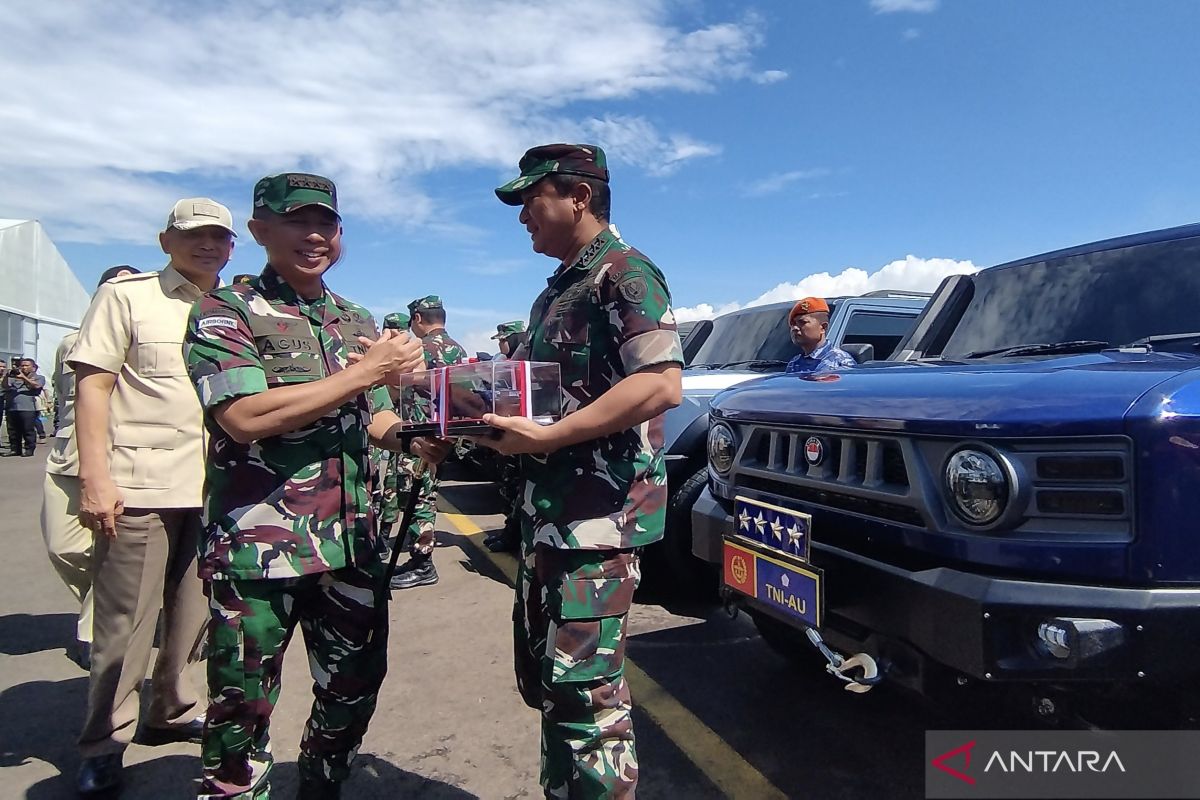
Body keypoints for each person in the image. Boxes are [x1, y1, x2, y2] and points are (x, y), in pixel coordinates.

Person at [184, 172, 448, 799]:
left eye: (325, 223)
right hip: (259, 549)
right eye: (296, 222)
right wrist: (363, 376)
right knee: (241, 703)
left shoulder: (352, 319)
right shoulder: (225, 310)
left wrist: (409, 439)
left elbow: (375, 413)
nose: (314, 236)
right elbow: (243, 418)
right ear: (259, 232)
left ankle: (321, 783)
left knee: (353, 685)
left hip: (350, 545)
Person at [484, 143, 683, 798]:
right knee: (555, 690)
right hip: (553, 518)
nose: (523, 219)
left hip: (596, 523)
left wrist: (548, 435)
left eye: (530, 201)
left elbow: (658, 384)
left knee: (588, 697)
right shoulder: (558, 292)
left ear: (578, 196)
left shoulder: (624, 273)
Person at [70, 200, 236, 796]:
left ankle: (169, 707)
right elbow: (93, 387)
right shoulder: (128, 297)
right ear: (167, 240)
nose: (208, 246)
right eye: (194, 236)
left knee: (193, 619)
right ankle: (104, 742)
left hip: (215, 488)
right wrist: (95, 477)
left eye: (219, 237)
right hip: (141, 487)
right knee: (125, 624)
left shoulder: (235, 307)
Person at [41, 265, 140, 672]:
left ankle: (94, 629)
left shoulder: (145, 336)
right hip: (68, 457)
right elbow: (67, 395)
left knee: (109, 549)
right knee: (62, 547)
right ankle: (116, 608)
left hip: (123, 456)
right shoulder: (69, 343)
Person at [388, 295, 466, 590]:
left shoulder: (420, 349)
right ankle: (421, 557)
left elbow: (397, 389)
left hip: (419, 435)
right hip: (443, 436)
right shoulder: (457, 349)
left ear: (418, 318)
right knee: (425, 495)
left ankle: (423, 563)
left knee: (416, 497)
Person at [784, 297, 856, 374]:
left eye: (802, 322)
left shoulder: (841, 361)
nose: (794, 328)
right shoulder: (794, 364)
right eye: (793, 324)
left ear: (823, 327)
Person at [3, 358, 47, 456]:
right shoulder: (14, 377)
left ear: (33, 367)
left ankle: (29, 449)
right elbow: (5, 386)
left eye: (26, 365)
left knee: (28, 429)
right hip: (12, 407)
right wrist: (6, 376)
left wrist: (24, 378)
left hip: (28, 407)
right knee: (13, 430)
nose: (23, 367)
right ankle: (15, 449)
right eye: (22, 365)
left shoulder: (39, 377)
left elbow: (37, 386)